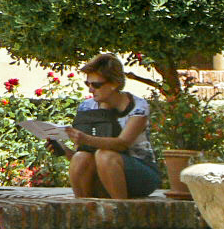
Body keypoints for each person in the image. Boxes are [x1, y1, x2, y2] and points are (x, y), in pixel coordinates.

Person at [63, 53, 160, 199]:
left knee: (105, 155)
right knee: (80, 157)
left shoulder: (138, 107)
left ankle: (120, 209)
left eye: (96, 85)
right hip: (102, 172)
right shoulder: (87, 107)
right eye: (88, 84)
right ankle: (84, 208)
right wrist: (63, 150)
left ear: (114, 83)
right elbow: (82, 152)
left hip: (140, 172)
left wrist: (86, 139)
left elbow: (122, 144)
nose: (90, 90)